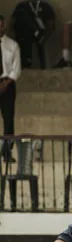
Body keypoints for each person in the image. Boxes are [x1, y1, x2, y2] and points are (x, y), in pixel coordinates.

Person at [10, 0, 56, 69]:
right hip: (21, 35)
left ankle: (27, 63)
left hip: (40, 35)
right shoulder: (21, 6)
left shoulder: (46, 6)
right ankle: (24, 64)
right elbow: (11, 23)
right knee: (25, 35)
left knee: (28, 36)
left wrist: (44, 38)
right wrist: (11, 37)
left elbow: (51, 25)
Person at [0, 15, 20, 163]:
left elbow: (16, 68)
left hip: (7, 84)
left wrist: (5, 84)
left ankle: (7, 152)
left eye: (1, 25)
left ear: (4, 26)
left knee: (8, 119)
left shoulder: (12, 45)